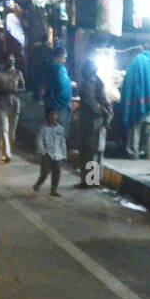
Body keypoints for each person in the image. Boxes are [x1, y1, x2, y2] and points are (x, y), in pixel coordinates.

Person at [121, 44, 150, 158]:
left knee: (135, 128)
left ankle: (133, 153)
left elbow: (129, 79)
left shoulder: (138, 60)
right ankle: (149, 153)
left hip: (138, 101)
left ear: (142, 49)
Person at [75, 59, 112, 187]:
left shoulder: (88, 84)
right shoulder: (99, 82)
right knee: (97, 152)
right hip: (98, 123)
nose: (82, 71)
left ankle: (89, 181)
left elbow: (91, 103)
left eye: (84, 68)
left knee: (89, 152)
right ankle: (95, 179)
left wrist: (100, 112)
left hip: (91, 123)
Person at [0, 53, 25, 163]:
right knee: (4, 130)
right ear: (4, 62)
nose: (12, 62)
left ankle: (7, 148)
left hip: (15, 103)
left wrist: (16, 91)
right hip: (2, 103)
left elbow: (23, 87)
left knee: (12, 133)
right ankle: (7, 154)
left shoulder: (18, 73)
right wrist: (5, 90)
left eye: (13, 60)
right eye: (9, 60)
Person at [42, 45, 73, 141]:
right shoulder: (59, 69)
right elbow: (62, 86)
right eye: (64, 58)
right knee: (59, 132)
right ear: (59, 56)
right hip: (59, 105)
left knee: (50, 131)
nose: (64, 61)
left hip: (51, 104)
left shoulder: (49, 68)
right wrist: (66, 101)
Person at [33, 108, 66, 196]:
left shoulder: (60, 129)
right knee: (45, 172)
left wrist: (64, 155)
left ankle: (54, 189)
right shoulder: (43, 129)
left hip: (58, 155)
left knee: (57, 173)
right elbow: (39, 141)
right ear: (48, 116)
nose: (53, 117)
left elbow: (63, 142)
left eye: (55, 115)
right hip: (47, 154)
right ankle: (38, 184)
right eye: (51, 115)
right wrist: (42, 152)